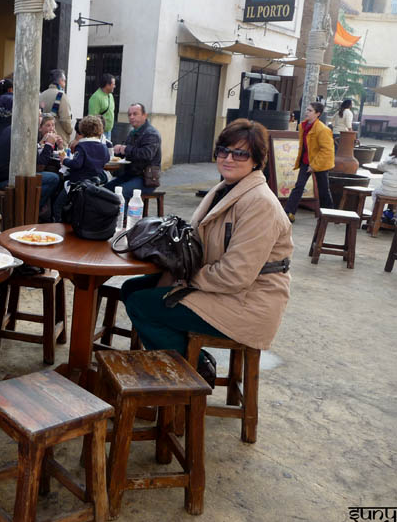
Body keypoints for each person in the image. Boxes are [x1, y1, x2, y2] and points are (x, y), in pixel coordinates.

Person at [121, 119, 293, 386]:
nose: (229, 158)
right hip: (221, 287)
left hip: (248, 302)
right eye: (224, 151)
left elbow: (235, 276)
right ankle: (185, 362)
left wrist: (184, 278)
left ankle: (194, 372)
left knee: (142, 305)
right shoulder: (225, 188)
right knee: (131, 288)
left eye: (240, 154)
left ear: (256, 161)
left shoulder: (260, 203)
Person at [53, 116, 111, 221]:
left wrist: (64, 160)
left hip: (77, 183)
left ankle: (58, 223)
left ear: (82, 130)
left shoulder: (82, 146)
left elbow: (77, 164)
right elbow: (106, 159)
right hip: (94, 183)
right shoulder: (103, 146)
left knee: (58, 205)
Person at [284, 102, 335, 222]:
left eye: (310, 110)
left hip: (320, 163)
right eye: (307, 109)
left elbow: (327, 150)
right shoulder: (303, 125)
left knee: (323, 190)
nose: (307, 112)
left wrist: (314, 165)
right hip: (306, 161)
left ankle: (330, 214)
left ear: (318, 114)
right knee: (299, 186)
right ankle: (288, 212)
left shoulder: (323, 129)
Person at [104, 103, 162, 203]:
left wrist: (125, 149)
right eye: (129, 114)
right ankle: (107, 213)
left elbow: (146, 155)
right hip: (130, 175)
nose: (131, 117)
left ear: (144, 115)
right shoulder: (132, 132)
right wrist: (118, 151)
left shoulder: (151, 133)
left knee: (120, 193)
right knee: (104, 191)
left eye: (135, 114)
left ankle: (124, 213)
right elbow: (127, 153)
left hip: (146, 179)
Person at [40, 69, 73, 144]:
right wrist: (70, 130)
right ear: (61, 81)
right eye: (64, 81)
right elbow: (65, 120)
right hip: (57, 139)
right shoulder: (61, 96)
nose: (65, 84)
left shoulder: (41, 95)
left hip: (43, 139)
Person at [88, 73, 117, 140]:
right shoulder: (96, 97)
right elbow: (92, 118)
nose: (114, 86)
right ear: (107, 85)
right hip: (99, 133)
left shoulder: (110, 96)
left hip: (109, 131)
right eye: (113, 84)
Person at [374, 144, 397, 223]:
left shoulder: (389, 161)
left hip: (385, 191)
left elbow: (379, 167)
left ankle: (377, 215)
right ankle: (395, 216)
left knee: (374, 192)